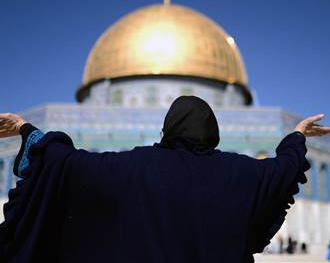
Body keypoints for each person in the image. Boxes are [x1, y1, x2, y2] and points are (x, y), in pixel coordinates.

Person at [0, 95, 329, 263]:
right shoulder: (241, 173)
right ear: (212, 131)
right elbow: (284, 168)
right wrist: (296, 135)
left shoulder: (126, 167)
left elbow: (62, 161)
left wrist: (24, 129)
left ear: (168, 126)